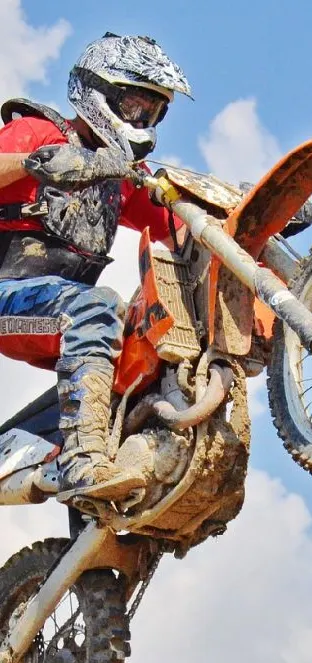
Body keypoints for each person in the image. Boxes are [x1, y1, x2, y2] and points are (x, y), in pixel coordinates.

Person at [0, 32, 192, 501]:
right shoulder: (41, 133)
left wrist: (254, 214)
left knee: (142, 351)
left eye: (153, 112)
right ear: (98, 91)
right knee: (96, 306)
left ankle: (95, 545)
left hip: (60, 316)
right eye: (133, 107)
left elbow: (181, 224)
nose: (141, 120)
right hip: (11, 293)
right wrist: (35, 163)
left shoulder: (117, 176)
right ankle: (83, 463)